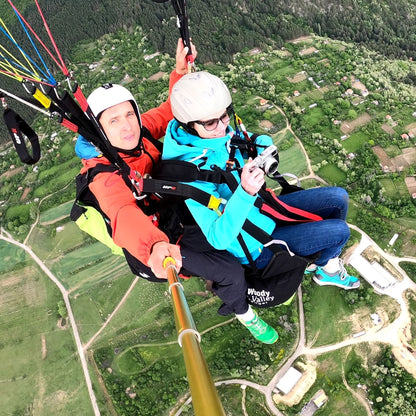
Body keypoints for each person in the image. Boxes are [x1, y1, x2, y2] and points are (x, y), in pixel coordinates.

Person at [75, 43, 278, 344]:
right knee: (229, 270)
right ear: (99, 130)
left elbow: (173, 111)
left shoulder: (140, 130)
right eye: (113, 121)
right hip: (157, 241)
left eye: (129, 115)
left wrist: (180, 73)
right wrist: (153, 246)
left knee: (235, 226)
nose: (127, 126)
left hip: (177, 211)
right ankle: (244, 313)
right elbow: (122, 213)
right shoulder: (104, 176)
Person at [162, 71, 360, 322]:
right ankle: (326, 268)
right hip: (257, 245)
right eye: (212, 122)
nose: (223, 126)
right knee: (340, 232)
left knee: (338, 198)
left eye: (225, 116)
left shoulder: (209, 133)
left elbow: (242, 139)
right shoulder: (189, 172)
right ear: (188, 124)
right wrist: (245, 192)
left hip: (263, 210)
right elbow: (218, 238)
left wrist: (264, 146)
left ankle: (324, 262)